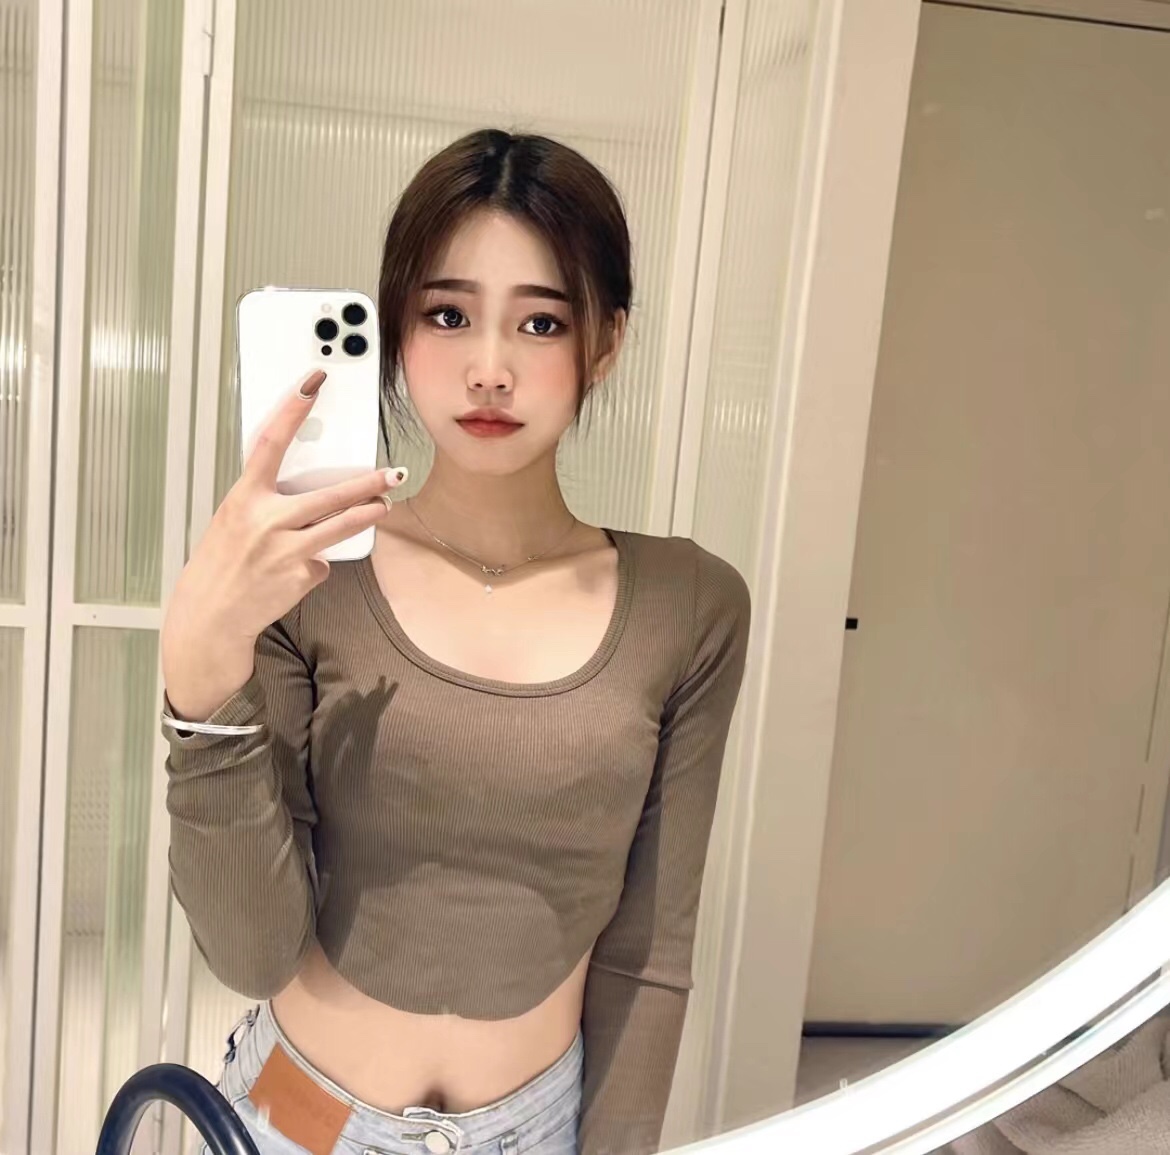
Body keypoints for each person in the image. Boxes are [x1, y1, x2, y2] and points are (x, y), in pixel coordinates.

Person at [161, 128, 750, 1155]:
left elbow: (650, 952)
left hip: (537, 1128)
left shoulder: (688, 605)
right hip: (299, 1120)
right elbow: (251, 950)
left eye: (540, 322)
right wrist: (200, 682)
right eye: (448, 314)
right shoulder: (313, 574)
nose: (489, 369)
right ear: (396, 329)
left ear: (607, 341)